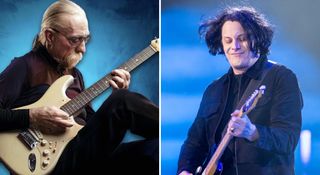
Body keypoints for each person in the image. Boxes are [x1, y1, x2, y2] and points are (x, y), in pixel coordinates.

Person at [0, 0, 158, 174]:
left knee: (153, 151)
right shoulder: (23, 66)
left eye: (86, 39)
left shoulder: (75, 75)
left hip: (82, 157)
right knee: (122, 102)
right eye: (75, 40)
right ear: (50, 36)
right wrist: (32, 117)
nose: (83, 48)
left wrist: (115, 95)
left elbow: (88, 127)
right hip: (51, 164)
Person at [178, 6, 302, 175]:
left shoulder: (280, 77)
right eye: (228, 41)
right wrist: (185, 170)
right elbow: (194, 142)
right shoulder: (214, 89)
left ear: (256, 39)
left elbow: (288, 139)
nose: (234, 46)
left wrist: (253, 132)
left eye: (241, 38)